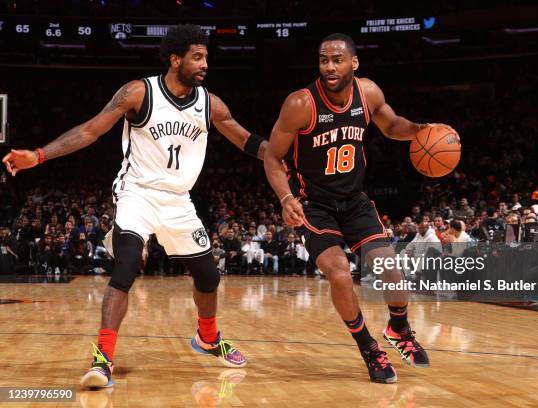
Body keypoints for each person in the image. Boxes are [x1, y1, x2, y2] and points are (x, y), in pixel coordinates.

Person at [3, 24, 266, 388]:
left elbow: (246, 140)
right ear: (176, 59)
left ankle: (207, 337)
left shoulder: (211, 103)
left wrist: (282, 154)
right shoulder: (138, 93)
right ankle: (103, 359)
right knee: (126, 265)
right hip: (137, 192)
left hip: (178, 201)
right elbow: (90, 131)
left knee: (209, 276)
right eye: (197, 56)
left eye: (206, 56)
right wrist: (39, 154)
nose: (205, 63)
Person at [264, 33, 455, 383]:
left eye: (337, 59)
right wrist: (286, 197)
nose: (329, 66)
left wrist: (422, 130)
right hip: (315, 205)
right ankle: (369, 347)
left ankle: (399, 328)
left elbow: (392, 125)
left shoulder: (367, 93)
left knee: (391, 270)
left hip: (354, 201)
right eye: (324, 60)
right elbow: (273, 157)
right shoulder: (300, 104)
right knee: (339, 274)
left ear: (354, 63)